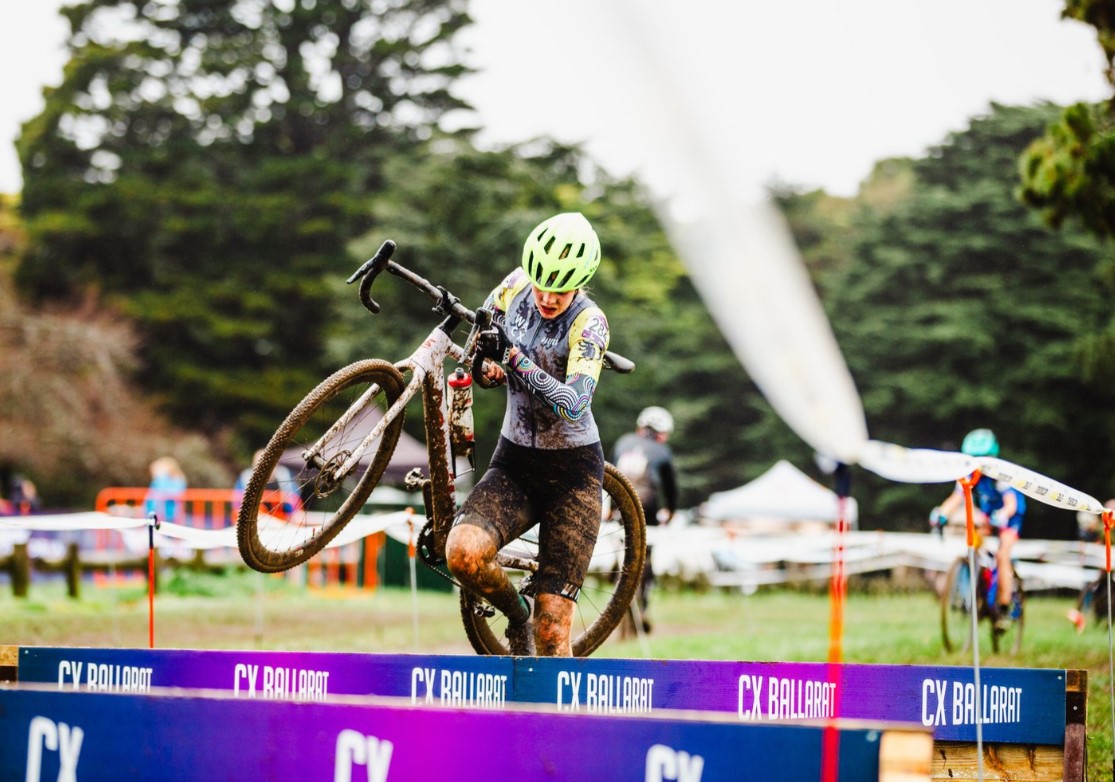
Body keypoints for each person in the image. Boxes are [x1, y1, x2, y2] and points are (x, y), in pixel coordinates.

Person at [445, 211, 610, 657]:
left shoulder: (589, 323)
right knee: (462, 553)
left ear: (581, 281)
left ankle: (561, 725)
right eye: (542, 284)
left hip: (572, 474)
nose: (547, 296)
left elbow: (574, 402)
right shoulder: (514, 285)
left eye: (561, 288)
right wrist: (489, 366)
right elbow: (481, 351)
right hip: (515, 462)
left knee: (554, 633)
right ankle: (517, 615)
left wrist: (514, 358)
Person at [929, 428, 1026, 632]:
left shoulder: (1000, 474)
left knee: (1002, 555)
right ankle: (981, 582)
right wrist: (941, 513)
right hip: (989, 513)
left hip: (1010, 516)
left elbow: (1010, 504)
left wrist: (1002, 515)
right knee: (973, 542)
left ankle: (1005, 606)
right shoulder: (968, 474)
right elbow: (956, 498)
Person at [613, 405, 679, 632]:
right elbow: (670, 488)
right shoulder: (663, 451)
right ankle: (644, 603)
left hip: (620, 502)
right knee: (646, 555)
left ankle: (618, 593)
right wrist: (670, 511)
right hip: (647, 506)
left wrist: (611, 508)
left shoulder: (623, 442)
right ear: (662, 433)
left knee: (623, 552)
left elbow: (613, 475)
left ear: (640, 427)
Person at [235, 449, 298, 517]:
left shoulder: (283, 476)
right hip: (253, 517)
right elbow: (237, 503)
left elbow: (294, 501)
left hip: (282, 517)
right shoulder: (246, 478)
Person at [144, 456, 188, 523]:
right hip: (156, 510)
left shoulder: (174, 480)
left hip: (168, 512)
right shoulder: (158, 480)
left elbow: (176, 493)